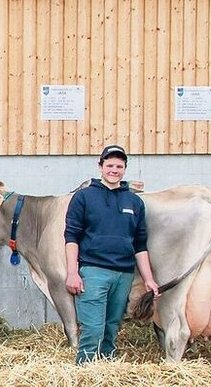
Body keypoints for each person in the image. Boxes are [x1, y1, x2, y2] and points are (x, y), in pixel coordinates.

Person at [63, 144, 160, 364]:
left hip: (123, 274)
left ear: (124, 169)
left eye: (119, 166)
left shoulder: (135, 202)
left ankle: (107, 372)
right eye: (109, 165)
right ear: (100, 167)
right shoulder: (84, 198)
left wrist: (149, 279)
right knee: (93, 330)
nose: (114, 170)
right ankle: (85, 374)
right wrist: (72, 273)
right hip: (93, 272)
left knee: (112, 327)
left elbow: (140, 244)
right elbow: (71, 237)